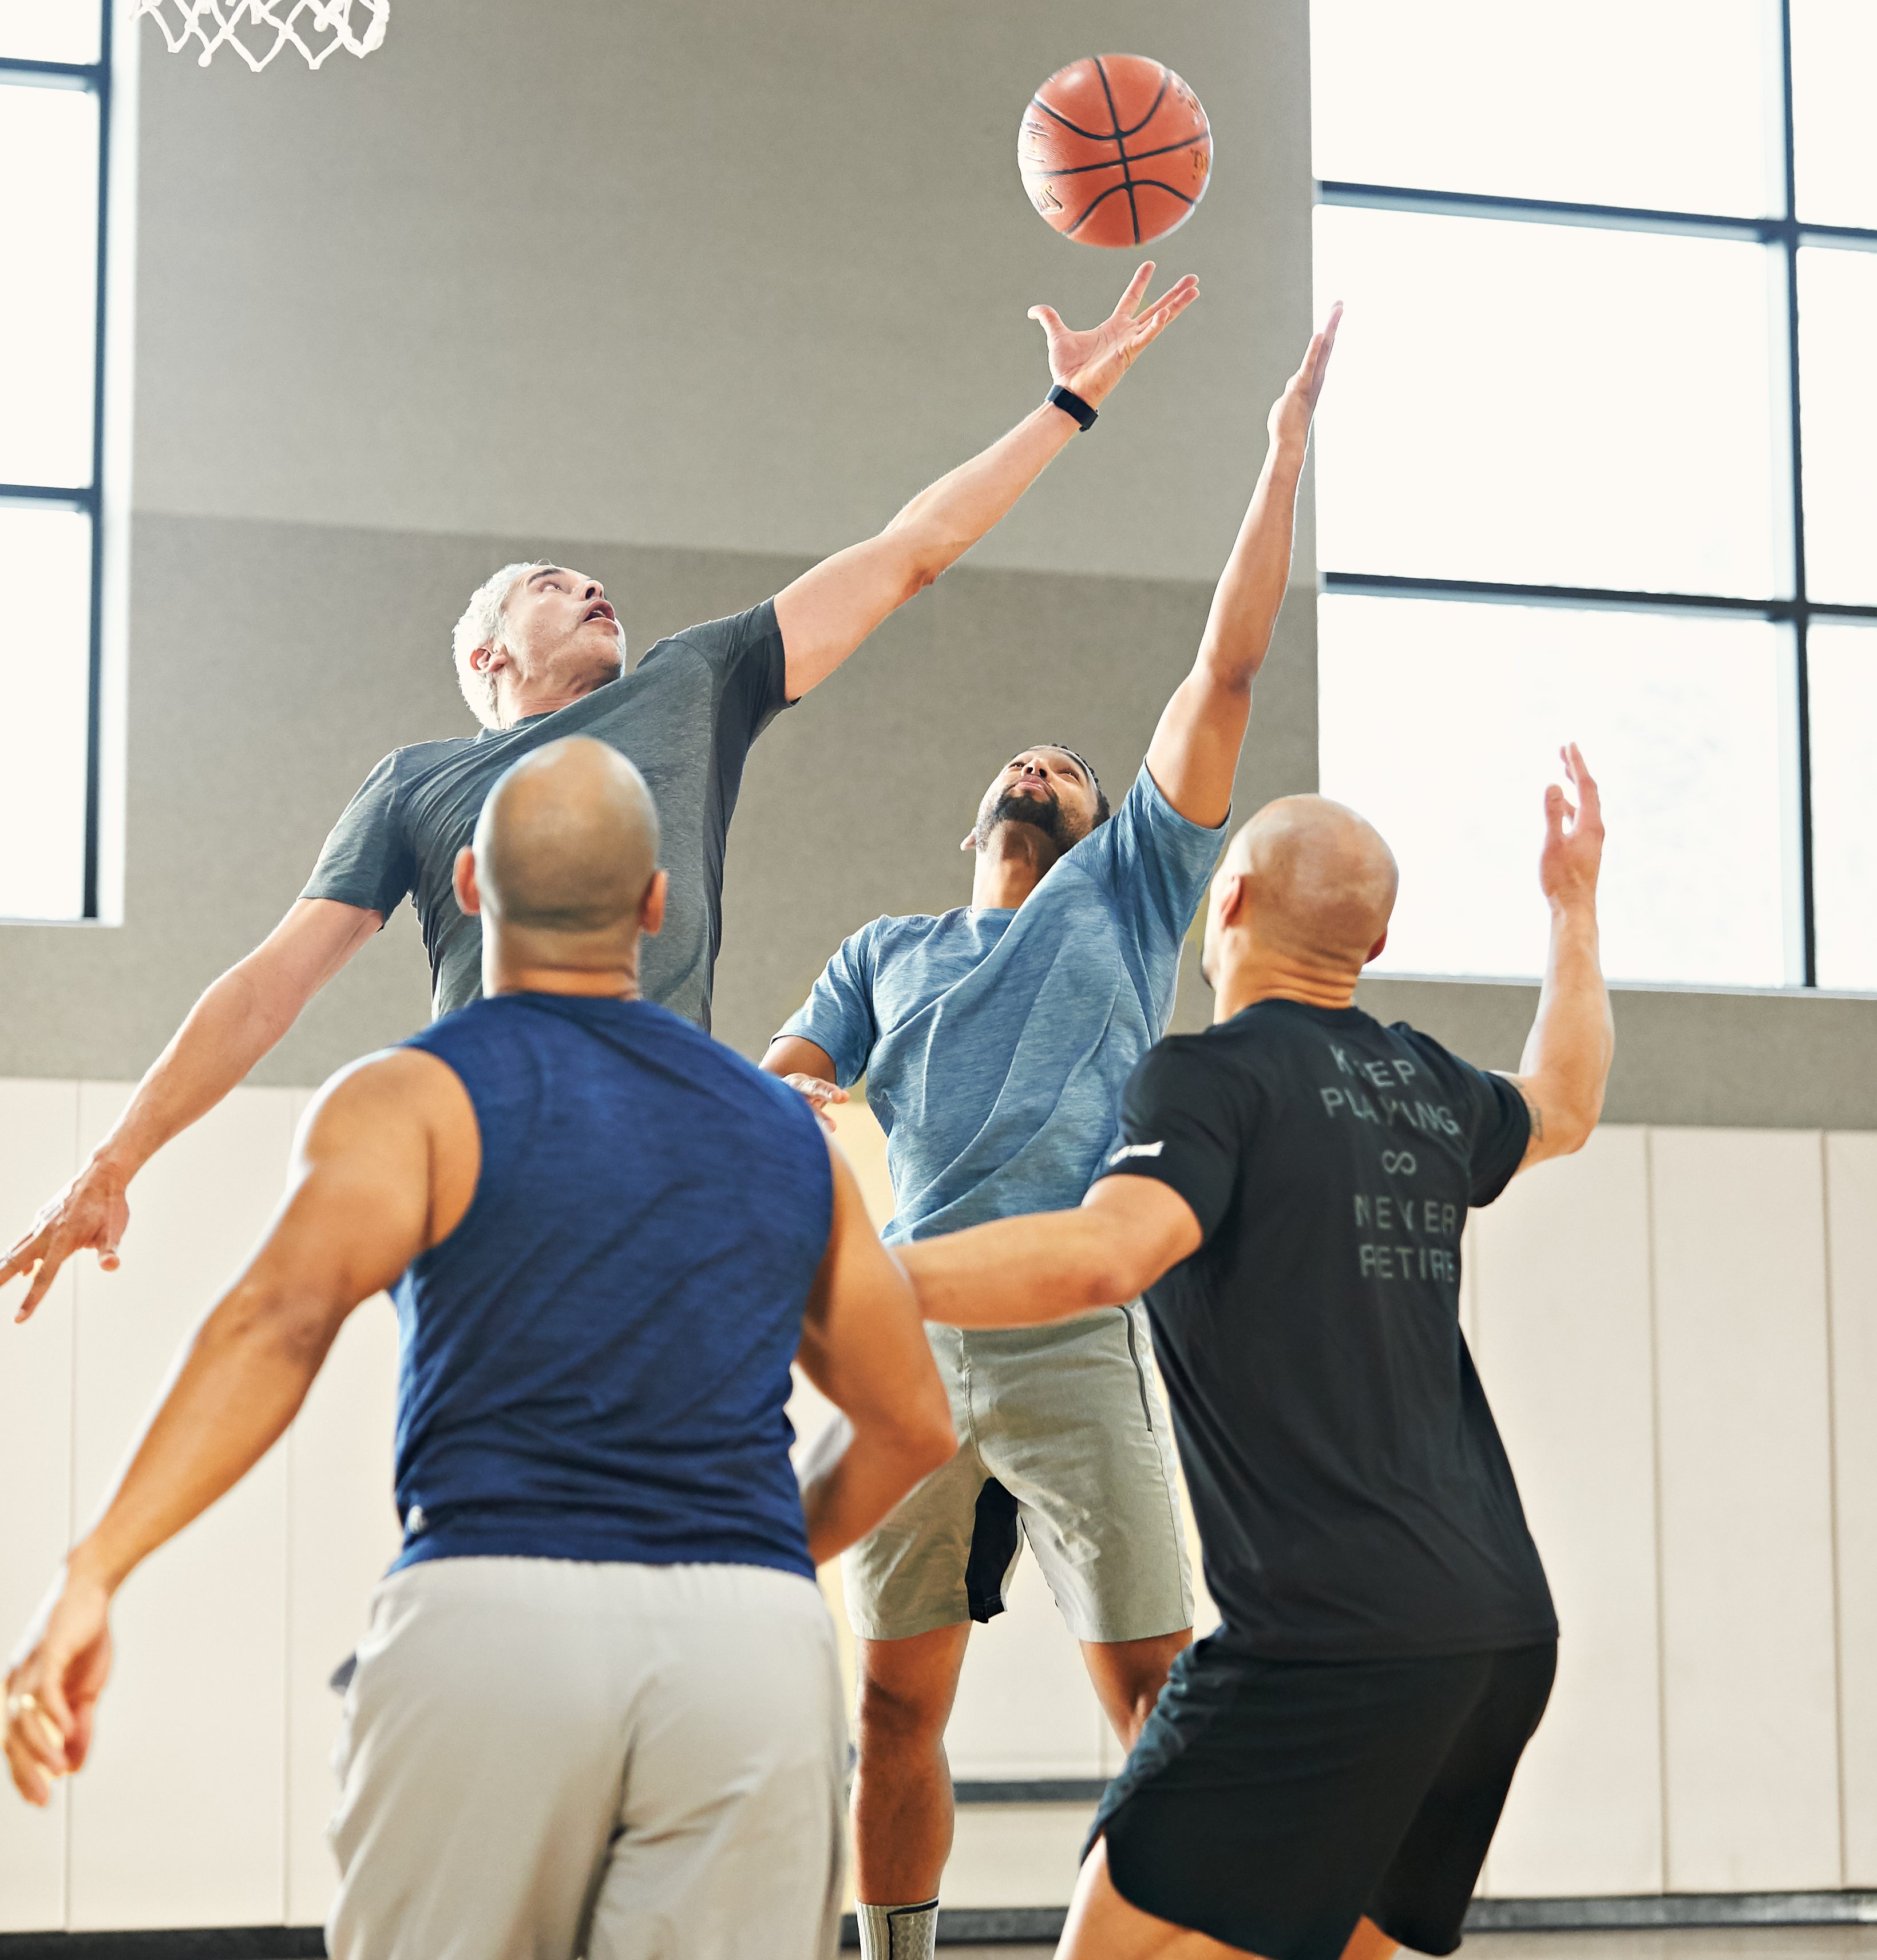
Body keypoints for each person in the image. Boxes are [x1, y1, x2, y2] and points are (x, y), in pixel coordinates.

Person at [3, 738, 957, 1960]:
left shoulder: (409, 1096)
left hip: (487, 1618)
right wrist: (759, 1557)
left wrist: (96, 1569)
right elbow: (908, 1424)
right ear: (657, 904)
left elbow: (277, 1322)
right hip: (744, 1645)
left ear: (463, 885)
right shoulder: (783, 1129)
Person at [1, 260, 1198, 1324]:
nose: (590, 590)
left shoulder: (695, 680)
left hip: (669, 1152)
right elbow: (270, 985)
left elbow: (905, 555)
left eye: (593, 581)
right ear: (486, 658)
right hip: (491, 1150)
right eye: (550, 584)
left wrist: (1066, 404)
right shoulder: (419, 782)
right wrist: (116, 1157)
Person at [763, 312, 1340, 1960]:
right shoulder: (889, 948)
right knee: (894, 1708)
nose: (1044, 768)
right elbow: (785, 1086)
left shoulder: (1136, 885)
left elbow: (1228, 658)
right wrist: (814, 1144)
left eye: (1071, 768)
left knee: (1161, 1703)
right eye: (1021, 764)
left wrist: (1279, 452)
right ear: (973, 820)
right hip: (907, 1345)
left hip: (1077, 1329)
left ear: (1108, 828)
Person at [897, 753, 1614, 1960]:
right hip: (1492, 1639)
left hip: (1321, 1644)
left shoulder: (1203, 1078)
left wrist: (856, 1274)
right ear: (1379, 945)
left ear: (1220, 901)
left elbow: (1105, 1252)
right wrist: (1572, 907)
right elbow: (1565, 1098)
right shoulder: (1422, 1082)